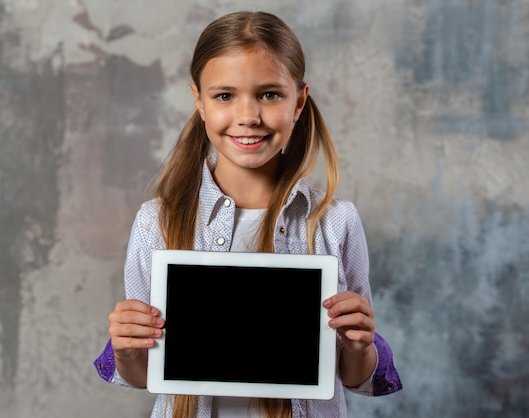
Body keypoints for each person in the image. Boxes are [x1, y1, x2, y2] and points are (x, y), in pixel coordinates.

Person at [94, 10, 402, 418]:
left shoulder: (334, 221)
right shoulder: (157, 222)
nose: (248, 116)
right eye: (225, 96)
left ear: (299, 101)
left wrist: (361, 342)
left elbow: (352, 373)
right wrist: (127, 346)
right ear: (199, 102)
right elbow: (143, 371)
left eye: (270, 94)